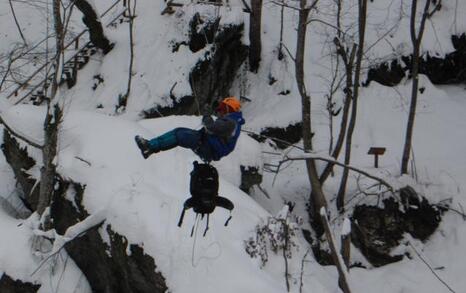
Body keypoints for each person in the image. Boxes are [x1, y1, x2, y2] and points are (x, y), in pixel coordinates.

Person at [135, 96, 245, 162]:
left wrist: (207, 115)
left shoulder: (231, 123)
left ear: (228, 108)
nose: (220, 112)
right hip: (207, 145)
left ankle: (149, 147)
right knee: (178, 132)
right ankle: (150, 146)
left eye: (222, 109)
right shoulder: (233, 122)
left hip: (207, 146)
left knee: (179, 135)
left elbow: (211, 127)